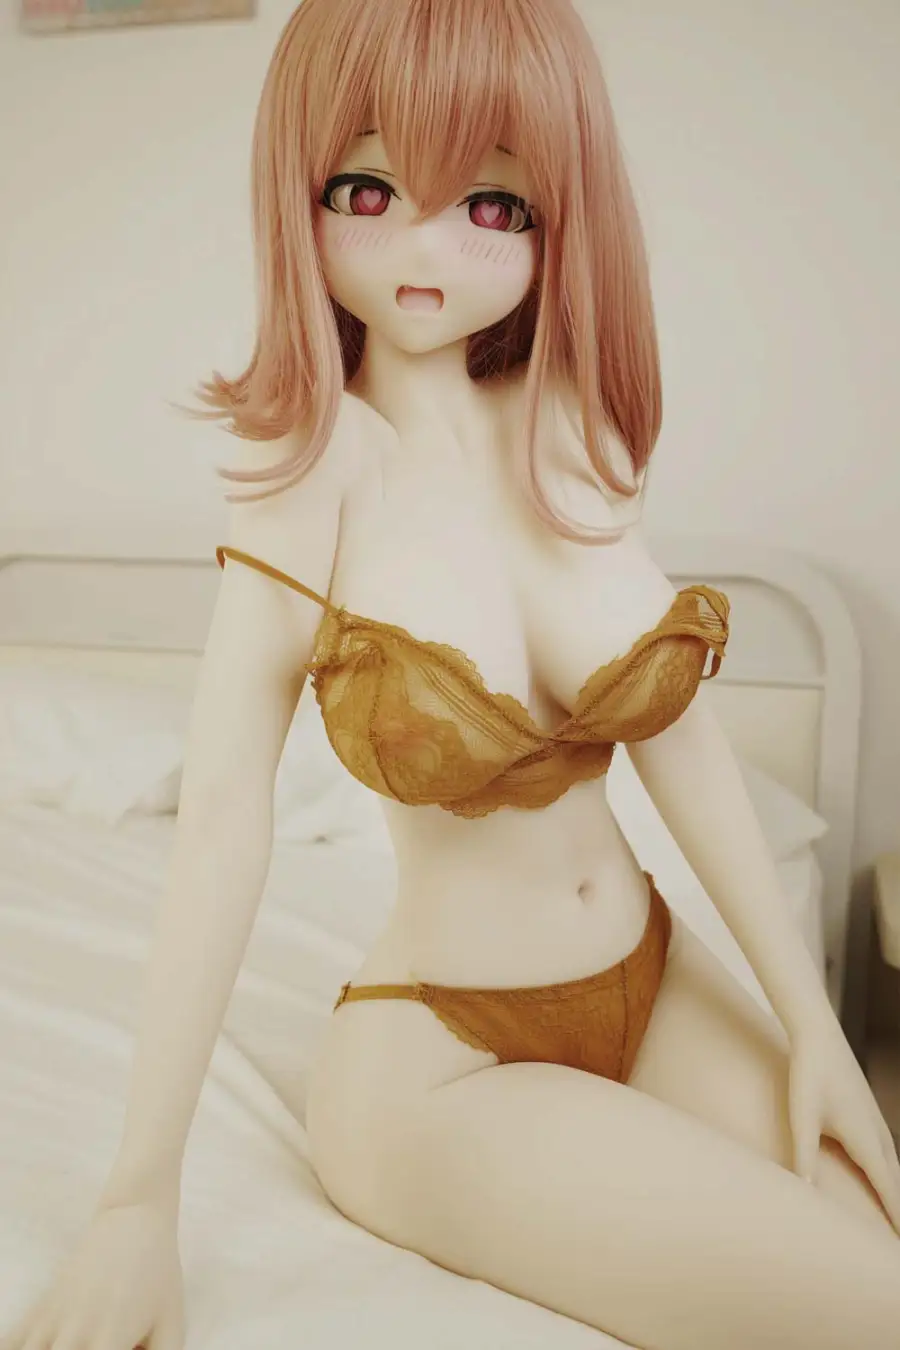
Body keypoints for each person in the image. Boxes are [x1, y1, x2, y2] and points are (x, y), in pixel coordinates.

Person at [5, 2, 900, 1348]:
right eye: (368, 192)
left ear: (558, 218)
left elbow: (685, 748)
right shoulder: (309, 479)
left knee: (880, 1243)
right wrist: (137, 1199)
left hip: (655, 974)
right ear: (301, 195)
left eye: (492, 205)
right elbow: (225, 819)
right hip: (441, 1065)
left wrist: (813, 1021)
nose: (427, 249)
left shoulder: (570, 428)